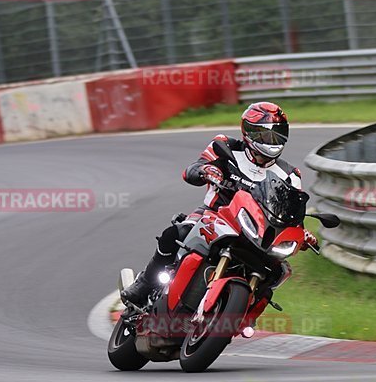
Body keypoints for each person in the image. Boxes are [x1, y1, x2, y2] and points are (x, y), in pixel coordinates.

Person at [120, 101, 316, 306]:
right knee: (176, 233)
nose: (273, 140)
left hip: (257, 233)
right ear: (250, 132)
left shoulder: (290, 175)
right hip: (213, 214)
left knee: (276, 272)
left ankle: (243, 314)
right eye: (267, 134)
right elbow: (192, 170)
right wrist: (204, 171)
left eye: (278, 134)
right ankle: (144, 284)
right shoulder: (225, 147)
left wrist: (303, 233)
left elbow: (291, 213)